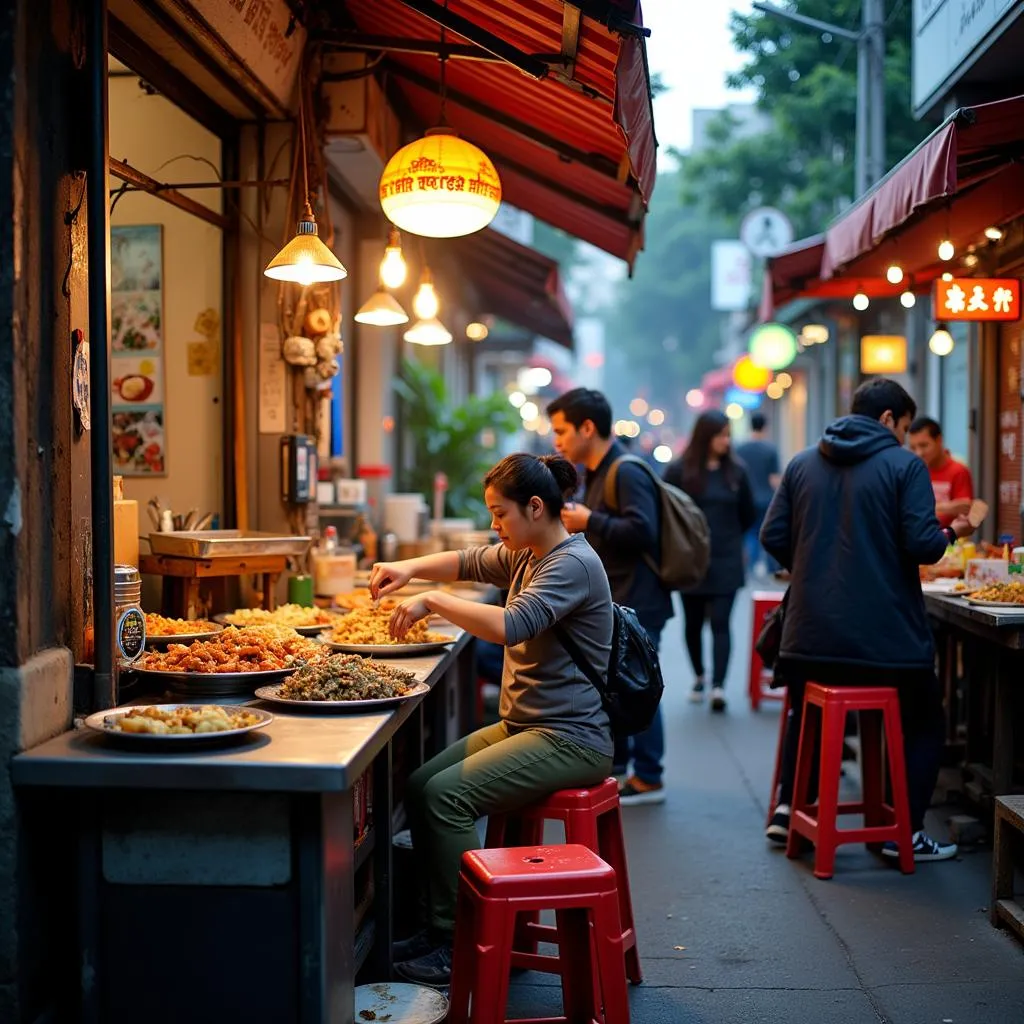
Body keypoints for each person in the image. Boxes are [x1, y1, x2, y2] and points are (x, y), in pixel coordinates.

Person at [369, 453, 614, 985]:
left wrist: (431, 600)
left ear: (534, 507)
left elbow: (512, 625)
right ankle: (439, 928)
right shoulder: (527, 552)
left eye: (499, 514)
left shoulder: (570, 562)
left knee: (444, 797)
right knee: (419, 785)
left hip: (571, 737)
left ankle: (464, 942)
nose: (493, 525)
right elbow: (467, 561)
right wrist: (409, 570)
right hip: (525, 725)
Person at [761, 378, 974, 862]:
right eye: (902, 427)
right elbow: (924, 545)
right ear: (887, 420)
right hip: (885, 643)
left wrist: (813, 569)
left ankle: (788, 807)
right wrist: (952, 530)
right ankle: (902, 831)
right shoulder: (904, 465)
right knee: (924, 717)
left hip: (808, 637)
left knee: (804, 704)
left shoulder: (802, 462)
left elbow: (772, 535)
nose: (903, 437)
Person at [546, 387, 673, 805]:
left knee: (637, 682)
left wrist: (589, 519)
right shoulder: (598, 471)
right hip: (621, 595)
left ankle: (650, 774)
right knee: (617, 681)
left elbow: (642, 533)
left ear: (588, 427)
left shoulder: (626, 470)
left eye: (562, 431)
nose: (557, 441)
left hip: (640, 597)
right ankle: (622, 767)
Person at [664, 410, 756, 712]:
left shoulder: (737, 472)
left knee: (720, 622)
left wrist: (731, 538)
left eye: (728, 435)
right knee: (692, 623)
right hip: (691, 560)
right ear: (706, 436)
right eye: (721, 435)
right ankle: (700, 676)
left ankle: (718, 686)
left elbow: (748, 513)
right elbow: (666, 508)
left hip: (727, 557)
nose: (726, 441)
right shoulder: (680, 470)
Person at [735, 412, 781, 576]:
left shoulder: (740, 449)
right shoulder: (770, 449)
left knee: (750, 534)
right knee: (767, 533)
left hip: (746, 499)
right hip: (766, 499)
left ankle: (750, 569)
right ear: (765, 427)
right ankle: (769, 569)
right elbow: (774, 479)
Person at [907, 416, 974, 528]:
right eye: (913, 448)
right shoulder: (913, 471)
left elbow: (965, 511)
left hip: (951, 541)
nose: (919, 453)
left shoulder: (958, 471)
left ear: (939, 440)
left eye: (924, 445)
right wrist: (948, 507)